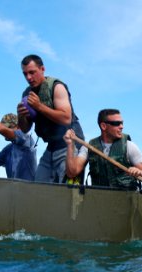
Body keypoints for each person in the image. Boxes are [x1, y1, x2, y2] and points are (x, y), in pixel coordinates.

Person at [17, 54, 84, 184]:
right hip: (51, 147)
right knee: (38, 188)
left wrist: (39, 106)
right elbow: (25, 129)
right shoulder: (27, 94)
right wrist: (21, 116)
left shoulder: (56, 87)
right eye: (25, 74)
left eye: (32, 72)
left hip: (70, 145)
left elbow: (66, 119)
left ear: (42, 69)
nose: (28, 77)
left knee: (68, 192)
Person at [63, 108, 142, 190]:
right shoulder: (89, 147)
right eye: (116, 123)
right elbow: (72, 172)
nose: (121, 126)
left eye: (122, 123)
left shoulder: (129, 146)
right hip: (99, 200)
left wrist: (140, 172)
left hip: (125, 200)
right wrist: (70, 145)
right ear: (103, 126)